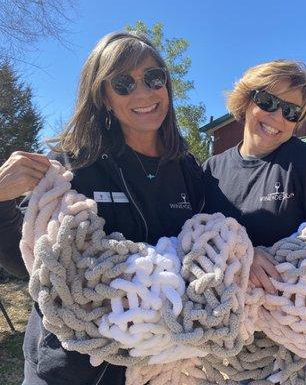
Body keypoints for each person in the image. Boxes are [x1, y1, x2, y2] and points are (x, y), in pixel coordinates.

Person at [0, 31, 204, 385]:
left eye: (154, 78)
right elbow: (26, 264)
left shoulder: (188, 170)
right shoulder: (71, 165)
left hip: (158, 365)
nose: (142, 93)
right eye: (123, 83)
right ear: (104, 96)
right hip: (70, 367)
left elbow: (213, 245)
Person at [202, 60, 306, 294]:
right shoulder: (210, 170)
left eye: (291, 111)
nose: (278, 117)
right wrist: (243, 253)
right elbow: (197, 239)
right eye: (268, 102)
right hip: (221, 313)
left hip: (288, 316)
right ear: (245, 101)